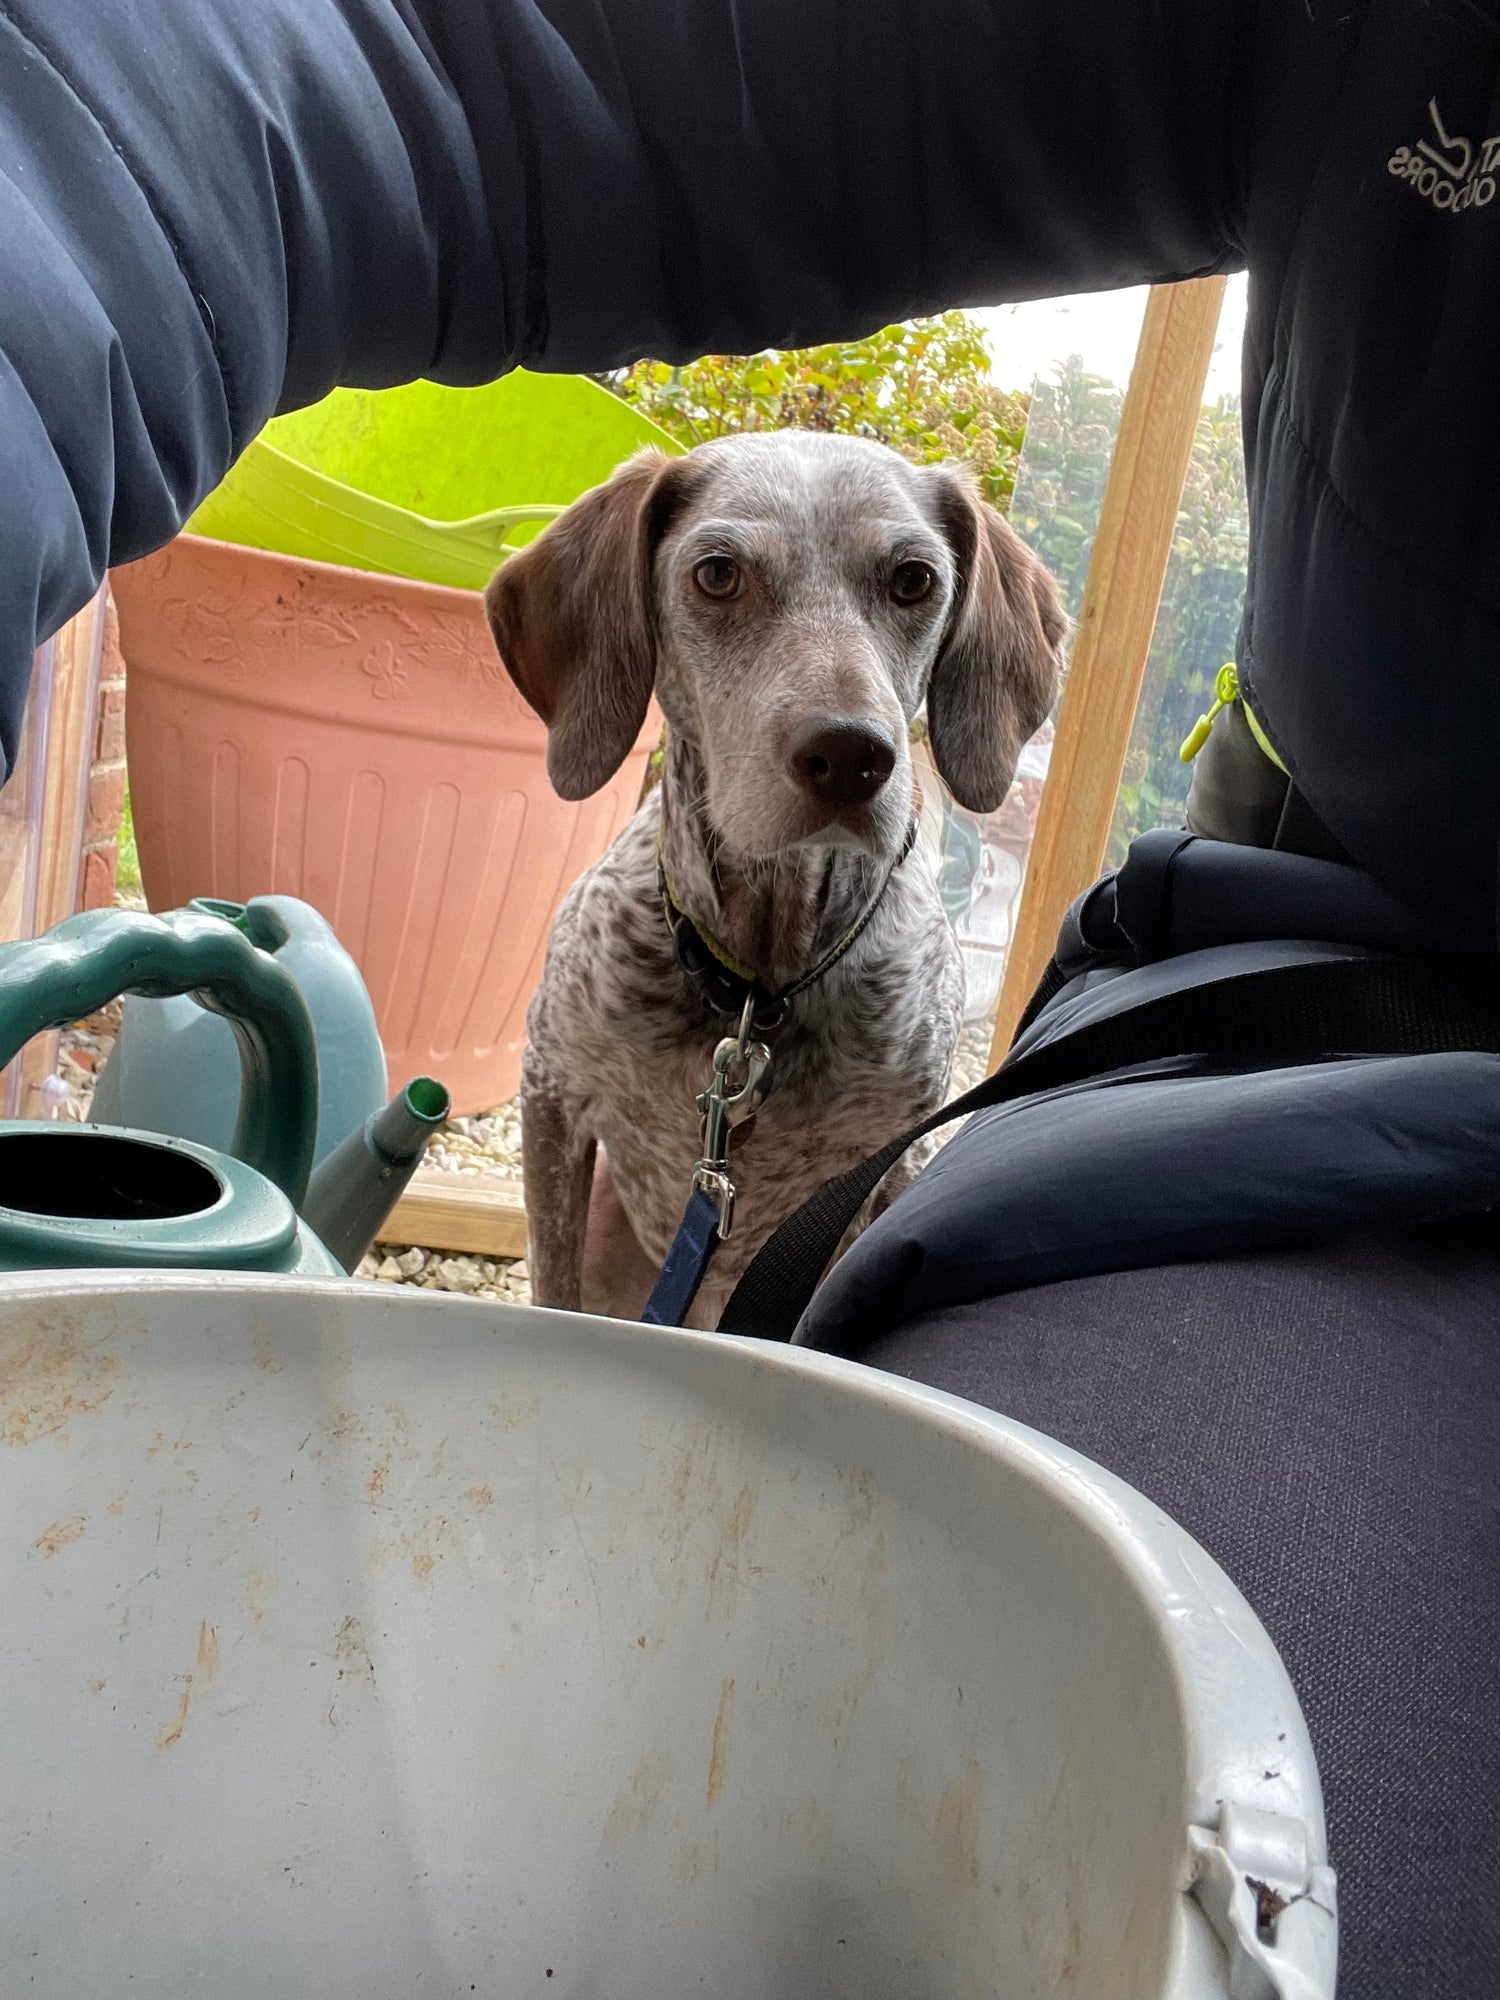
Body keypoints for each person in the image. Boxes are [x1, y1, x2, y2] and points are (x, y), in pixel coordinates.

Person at [2, 0, 1496, 1988]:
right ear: (628, 627)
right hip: (1353, 975)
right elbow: (415, 67)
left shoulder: (915, 980)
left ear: (963, 638)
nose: (843, 698)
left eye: (899, 598)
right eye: (728, 590)